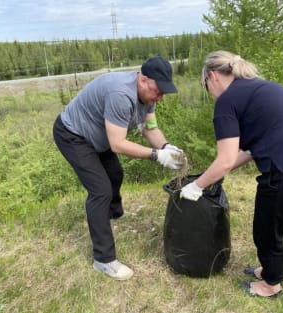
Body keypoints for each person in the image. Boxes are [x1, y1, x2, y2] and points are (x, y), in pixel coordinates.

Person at [180, 50, 283, 297]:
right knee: (274, 222)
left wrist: (196, 186)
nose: (209, 93)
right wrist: (214, 174)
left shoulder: (227, 101)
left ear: (212, 77)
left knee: (267, 227)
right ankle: (270, 270)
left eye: (205, 86)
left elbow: (226, 158)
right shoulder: (260, 88)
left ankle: (271, 285)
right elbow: (249, 150)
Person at [53, 56, 185, 281]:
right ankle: (103, 260)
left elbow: (149, 127)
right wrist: (157, 156)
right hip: (73, 135)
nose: (160, 98)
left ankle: (113, 214)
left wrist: (165, 146)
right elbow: (118, 144)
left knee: (115, 173)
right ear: (143, 80)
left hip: (100, 136)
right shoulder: (120, 95)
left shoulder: (149, 96)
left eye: (163, 92)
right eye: (158, 91)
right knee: (100, 191)